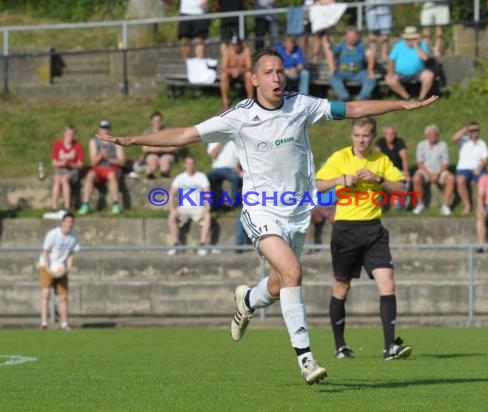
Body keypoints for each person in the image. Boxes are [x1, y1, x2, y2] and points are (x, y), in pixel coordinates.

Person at [97, 47, 438, 384]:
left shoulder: (301, 105)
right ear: (254, 79)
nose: (276, 77)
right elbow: (185, 134)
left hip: (297, 210)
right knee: (293, 271)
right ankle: (306, 359)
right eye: (268, 73)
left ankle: (247, 298)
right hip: (261, 208)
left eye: (279, 71)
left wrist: (400, 104)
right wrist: (135, 140)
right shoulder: (239, 116)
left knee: (278, 284)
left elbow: (353, 108)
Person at [315, 116, 412, 360]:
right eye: (357, 135)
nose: (361, 140)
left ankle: (390, 346)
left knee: (387, 283)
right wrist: (341, 180)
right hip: (345, 230)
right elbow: (317, 184)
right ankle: (340, 347)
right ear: (352, 136)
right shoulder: (340, 158)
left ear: (372, 137)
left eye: (366, 135)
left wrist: (377, 179)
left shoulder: (380, 160)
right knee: (341, 287)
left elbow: (401, 189)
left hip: (373, 230)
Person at [37, 212, 80, 330]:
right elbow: (45, 251)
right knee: (45, 294)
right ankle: (44, 323)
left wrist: (68, 267)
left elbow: (71, 252)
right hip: (47, 265)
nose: (69, 224)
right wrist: (47, 268)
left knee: (63, 296)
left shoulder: (73, 236)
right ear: (62, 222)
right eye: (67, 222)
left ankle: (64, 323)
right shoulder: (53, 234)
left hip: (61, 268)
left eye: (71, 222)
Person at [78, 120, 125, 215]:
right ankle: (85, 204)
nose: (104, 130)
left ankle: (116, 204)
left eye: (106, 128)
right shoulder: (93, 142)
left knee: (112, 176)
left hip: (112, 168)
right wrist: (100, 155)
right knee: (90, 175)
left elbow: (122, 162)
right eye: (103, 128)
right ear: (99, 129)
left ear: (109, 129)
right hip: (98, 168)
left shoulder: (116, 141)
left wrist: (110, 159)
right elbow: (93, 162)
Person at [167, 155, 212, 257]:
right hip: (183, 208)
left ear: (195, 165)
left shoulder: (201, 177)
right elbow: (171, 194)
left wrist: (207, 208)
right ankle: (175, 245)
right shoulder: (180, 177)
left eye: (192, 163)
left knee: (208, 216)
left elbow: (207, 193)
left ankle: (202, 245)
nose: (190, 166)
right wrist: (172, 209)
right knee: (172, 217)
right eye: (188, 164)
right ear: (185, 165)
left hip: (198, 207)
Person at [412, 124, 454, 216]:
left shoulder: (443, 145)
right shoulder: (421, 145)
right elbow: (420, 163)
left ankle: (446, 206)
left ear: (437, 135)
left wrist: (438, 174)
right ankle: (420, 204)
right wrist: (430, 174)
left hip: (440, 171)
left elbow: (445, 163)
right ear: (426, 135)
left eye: (434, 134)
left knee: (450, 178)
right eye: (430, 134)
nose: (432, 136)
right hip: (425, 171)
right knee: (416, 178)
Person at [326, 27, 377, 101]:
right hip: (343, 72)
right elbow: (330, 53)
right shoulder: (341, 46)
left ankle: (361, 99)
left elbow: (371, 54)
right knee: (333, 77)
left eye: (354, 36)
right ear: (345, 37)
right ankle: (344, 98)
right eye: (350, 36)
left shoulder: (361, 46)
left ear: (357, 37)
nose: (352, 38)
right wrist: (332, 68)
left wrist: (370, 69)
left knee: (371, 79)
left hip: (359, 73)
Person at [385, 26, 434, 102]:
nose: (410, 40)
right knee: (389, 80)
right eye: (408, 38)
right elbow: (391, 60)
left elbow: (425, 58)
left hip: (418, 73)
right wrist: (390, 73)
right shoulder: (398, 46)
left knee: (429, 75)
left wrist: (416, 47)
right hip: (400, 73)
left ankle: (421, 98)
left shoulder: (422, 45)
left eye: (412, 38)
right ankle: (407, 98)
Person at [452, 122, 488, 214]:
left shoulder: (482, 143)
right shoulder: (463, 140)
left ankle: (480, 206)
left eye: (476, 130)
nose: (474, 132)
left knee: (481, 181)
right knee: (460, 181)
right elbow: (454, 138)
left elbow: (486, 160)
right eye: (472, 130)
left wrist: (480, 168)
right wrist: (465, 129)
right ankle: (467, 205)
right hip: (463, 168)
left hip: (477, 168)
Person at [50, 124, 84, 211]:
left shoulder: (78, 146)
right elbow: (54, 163)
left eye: (72, 134)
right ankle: (54, 207)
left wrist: (69, 164)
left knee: (64, 179)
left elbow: (80, 165)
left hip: (72, 170)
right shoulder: (57, 145)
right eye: (68, 134)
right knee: (57, 179)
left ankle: (67, 206)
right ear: (64, 134)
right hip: (59, 169)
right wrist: (62, 163)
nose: (70, 136)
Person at [375, 125, 410, 210]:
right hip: (384, 170)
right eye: (388, 134)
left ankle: (399, 207)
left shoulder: (399, 142)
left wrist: (406, 171)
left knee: (407, 180)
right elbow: (376, 158)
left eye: (392, 134)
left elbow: (404, 158)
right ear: (384, 135)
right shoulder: (380, 142)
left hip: (398, 171)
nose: (390, 136)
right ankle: (379, 205)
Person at [220, 35, 254, 111]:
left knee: (249, 75)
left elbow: (249, 67)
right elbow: (224, 68)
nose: (235, 46)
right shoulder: (227, 51)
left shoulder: (246, 50)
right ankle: (225, 102)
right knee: (223, 75)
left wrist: (240, 70)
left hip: (243, 75)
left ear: (240, 44)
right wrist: (232, 71)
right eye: (234, 45)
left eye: (237, 44)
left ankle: (250, 100)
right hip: (231, 75)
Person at [142, 111, 178, 179]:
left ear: (161, 121)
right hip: (152, 153)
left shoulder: (168, 130)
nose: (157, 122)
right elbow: (144, 148)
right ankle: (150, 174)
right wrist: (154, 149)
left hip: (167, 153)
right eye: (155, 121)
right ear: (151, 122)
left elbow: (175, 146)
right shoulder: (147, 132)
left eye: (158, 120)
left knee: (165, 160)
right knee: (152, 160)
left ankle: (164, 173)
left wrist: (162, 149)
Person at [206, 141, 241, 208]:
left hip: (231, 169)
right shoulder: (213, 140)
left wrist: (238, 167)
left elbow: (239, 158)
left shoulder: (234, 141)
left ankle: (233, 203)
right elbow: (213, 155)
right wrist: (222, 142)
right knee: (209, 178)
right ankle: (214, 203)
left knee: (235, 178)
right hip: (216, 169)